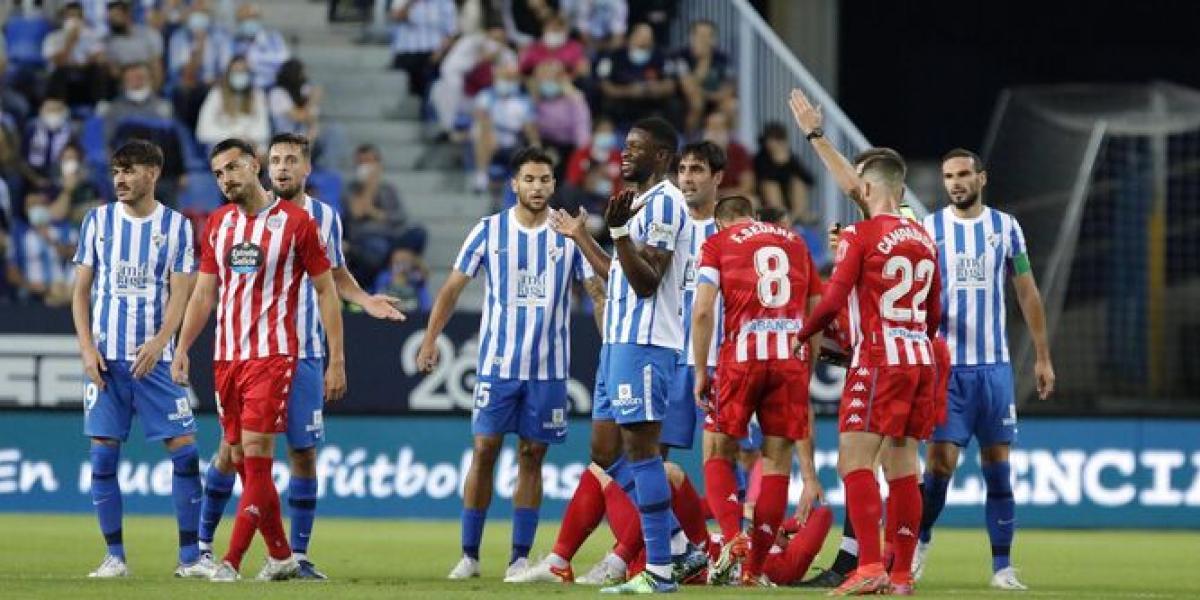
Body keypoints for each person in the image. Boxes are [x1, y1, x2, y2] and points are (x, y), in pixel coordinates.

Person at [194, 133, 404, 581]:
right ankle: (205, 547)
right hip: (242, 352)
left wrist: (362, 302)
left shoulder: (321, 218)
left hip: (301, 349)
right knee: (232, 453)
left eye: (291, 160)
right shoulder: (228, 222)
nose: (283, 168)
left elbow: (335, 277)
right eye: (276, 160)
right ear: (263, 166)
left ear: (307, 168)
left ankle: (295, 555)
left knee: (301, 453)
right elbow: (207, 289)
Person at [513, 117, 692, 593]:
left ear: (661, 156)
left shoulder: (665, 203)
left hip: (646, 343)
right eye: (625, 145)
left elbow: (647, 281)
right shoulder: (638, 203)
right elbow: (620, 276)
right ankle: (678, 543)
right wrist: (584, 237)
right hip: (618, 341)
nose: (624, 153)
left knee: (642, 453)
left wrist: (618, 234)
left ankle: (660, 570)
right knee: (605, 452)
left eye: (636, 147)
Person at [416, 147, 604, 581]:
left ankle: (519, 557)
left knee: (532, 455)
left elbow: (596, 293)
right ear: (514, 184)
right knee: (484, 450)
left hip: (548, 370)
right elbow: (451, 288)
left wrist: (610, 345)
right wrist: (430, 339)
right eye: (529, 179)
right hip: (497, 366)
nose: (537, 187)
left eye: (544, 179)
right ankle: (469, 555)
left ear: (553, 185)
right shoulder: (488, 231)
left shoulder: (570, 235)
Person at [172, 138, 344, 582]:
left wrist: (336, 358)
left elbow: (327, 290)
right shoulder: (218, 223)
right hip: (226, 357)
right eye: (218, 173)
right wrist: (182, 347)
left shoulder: (297, 223)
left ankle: (230, 561)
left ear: (254, 166)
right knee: (236, 456)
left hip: (272, 355)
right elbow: (204, 294)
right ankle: (282, 555)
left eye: (233, 168)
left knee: (257, 455)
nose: (226, 179)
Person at [792, 150, 942, 596]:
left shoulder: (859, 234)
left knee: (853, 462)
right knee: (903, 466)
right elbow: (934, 313)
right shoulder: (925, 238)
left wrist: (803, 335)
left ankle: (871, 566)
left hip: (879, 357)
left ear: (870, 188)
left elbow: (833, 299)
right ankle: (901, 577)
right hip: (920, 358)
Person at [913, 148, 1056, 590]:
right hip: (947, 370)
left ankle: (1002, 568)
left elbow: (1027, 291)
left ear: (981, 178)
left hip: (994, 370)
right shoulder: (929, 229)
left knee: (998, 468)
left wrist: (1043, 356)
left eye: (962, 175)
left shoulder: (1006, 228)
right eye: (948, 177)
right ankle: (919, 541)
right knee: (939, 468)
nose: (955, 183)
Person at [69, 139, 210, 578]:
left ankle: (190, 559)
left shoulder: (177, 226)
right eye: (116, 171)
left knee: (186, 455)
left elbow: (181, 293)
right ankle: (115, 558)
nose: (120, 179)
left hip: (157, 362)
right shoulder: (97, 221)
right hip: (106, 363)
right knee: (102, 459)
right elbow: (81, 292)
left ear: (153, 172)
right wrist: (86, 348)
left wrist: (161, 341)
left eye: (129, 170)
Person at [691, 194, 824, 587]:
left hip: (742, 357)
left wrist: (701, 370)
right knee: (778, 462)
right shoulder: (795, 241)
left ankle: (734, 536)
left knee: (717, 449)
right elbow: (818, 307)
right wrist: (807, 366)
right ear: (752, 216)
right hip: (789, 359)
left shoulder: (717, 243)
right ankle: (755, 569)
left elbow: (703, 310)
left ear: (720, 222)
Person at [196, 56, 270, 152]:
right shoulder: (216, 94)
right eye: (236, 72)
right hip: (222, 145)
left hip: (251, 145)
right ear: (228, 74)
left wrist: (247, 139)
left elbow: (264, 130)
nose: (240, 75)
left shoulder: (258, 94)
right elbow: (202, 130)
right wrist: (232, 137)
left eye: (243, 71)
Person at [673, 19, 734, 135]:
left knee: (731, 105)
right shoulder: (681, 56)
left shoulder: (722, 58)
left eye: (707, 36)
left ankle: (728, 140)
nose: (703, 40)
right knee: (697, 102)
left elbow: (728, 88)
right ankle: (690, 139)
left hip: (714, 98)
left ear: (713, 39)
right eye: (699, 35)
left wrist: (712, 96)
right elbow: (689, 88)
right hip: (685, 99)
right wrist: (704, 60)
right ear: (691, 37)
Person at [389, 0, 458, 99]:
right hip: (406, 53)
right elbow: (395, 17)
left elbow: (450, 33)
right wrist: (410, 3)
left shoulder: (445, 2)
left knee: (430, 90)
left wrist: (439, 52)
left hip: (432, 54)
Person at [754, 121, 814, 224]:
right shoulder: (760, 158)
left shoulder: (790, 157)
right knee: (770, 184)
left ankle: (794, 218)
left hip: (789, 197)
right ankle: (782, 217)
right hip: (768, 198)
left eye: (778, 140)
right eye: (772, 139)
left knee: (798, 183)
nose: (774, 144)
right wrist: (779, 165)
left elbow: (809, 180)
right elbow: (766, 177)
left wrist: (787, 163)